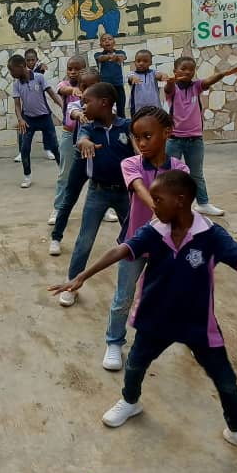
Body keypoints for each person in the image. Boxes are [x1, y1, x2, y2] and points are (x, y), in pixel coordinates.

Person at [49, 170, 237, 460]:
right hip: (154, 321)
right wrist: (82, 276)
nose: (154, 205)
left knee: (225, 380)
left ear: (181, 200)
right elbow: (121, 250)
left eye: (159, 199)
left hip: (198, 324)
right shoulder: (153, 231)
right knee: (135, 366)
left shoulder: (211, 235)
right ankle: (130, 401)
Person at [102, 106, 188, 371]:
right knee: (123, 298)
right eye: (137, 137)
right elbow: (139, 186)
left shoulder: (179, 168)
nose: (141, 143)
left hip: (166, 248)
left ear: (167, 133)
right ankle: (114, 342)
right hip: (134, 245)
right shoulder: (130, 163)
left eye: (147, 136)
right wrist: (158, 207)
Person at [50, 82, 135, 307]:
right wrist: (85, 142)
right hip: (97, 192)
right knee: (84, 241)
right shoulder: (89, 127)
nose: (83, 106)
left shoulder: (126, 126)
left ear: (104, 103)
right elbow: (81, 139)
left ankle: (150, 283)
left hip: (125, 193)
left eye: (87, 101)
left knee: (138, 237)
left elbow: (138, 150)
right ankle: (72, 284)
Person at [164, 56, 237, 217]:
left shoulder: (196, 87)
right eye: (183, 69)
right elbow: (168, 89)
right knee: (171, 174)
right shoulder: (172, 89)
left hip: (195, 139)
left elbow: (208, 81)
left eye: (191, 69)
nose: (187, 72)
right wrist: (171, 81)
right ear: (175, 71)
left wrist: (222, 74)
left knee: (196, 174)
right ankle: (170, 204)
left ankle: (203, 203)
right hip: (174, 139)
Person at [8, 54, 61, 190]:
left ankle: (64, 175)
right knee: (25, 149)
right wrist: (20, 119)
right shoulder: (16, 84)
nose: (11, 73)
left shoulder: (39, 78)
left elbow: (52, 94)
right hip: (28, 120)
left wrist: (63, 106)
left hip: (45, 118)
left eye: (12, 70)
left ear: (21, 67)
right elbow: (17, 105)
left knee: (55, 147)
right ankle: (27, 176)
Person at [48, 55, 87, 224]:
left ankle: (105, 209)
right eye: (70, 68)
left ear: (84, 70)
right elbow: (62, 90)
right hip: (69, 134)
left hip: (89, 134)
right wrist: (73, 91)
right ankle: (58, 208)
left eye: (77, 69)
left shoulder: (92, 87)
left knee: (97, 172)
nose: (72, 72)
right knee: (64, 174)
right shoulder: (64, 85)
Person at [13, 49, 54, 163]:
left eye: (33, 60)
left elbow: (38, 75)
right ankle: (22, 152)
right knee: (23, 132)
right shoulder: (20, 74)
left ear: (36, 60)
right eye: (28, 60)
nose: (30, 62)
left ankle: (48, 149)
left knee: (47, 132)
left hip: (42, 109)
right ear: (24, 62)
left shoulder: (39, 72)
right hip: (27, 111)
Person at [94, 33, 128, 118]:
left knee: (121, 109)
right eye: (104, 40)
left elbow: (123, 57)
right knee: (106, 108)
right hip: (105, 87)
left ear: (114, 42)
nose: (107, 41)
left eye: (109, 39)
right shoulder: (98, 54)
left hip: (118, 85)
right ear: (100, 45)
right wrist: (110, 57)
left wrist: (116, 56)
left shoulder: (120, 52)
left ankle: (122, 128)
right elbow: (100, 58)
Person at [127, 50, 168, 115]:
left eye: (145, 61)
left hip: (154, 106)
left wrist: (163, 75)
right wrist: (133, 78)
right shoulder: (132, 74)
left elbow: (159, 75)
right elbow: (130, 78)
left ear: (150, 63)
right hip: (138, 107)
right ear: (134, 62)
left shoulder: (153, 73)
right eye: (138, 61)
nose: (141, 63)